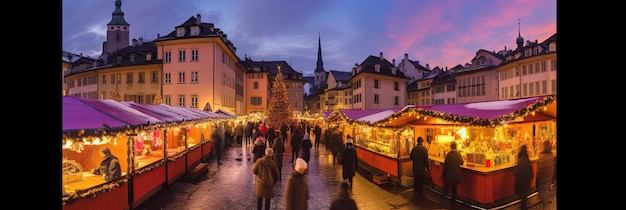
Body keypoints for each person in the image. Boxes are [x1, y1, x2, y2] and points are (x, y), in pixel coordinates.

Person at [441, 141, 463, 206]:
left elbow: (445, 165)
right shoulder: (458, 154)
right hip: (455, 175)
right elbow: (461, 162)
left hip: (448, 174)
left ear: (451, 147)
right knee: (454, 189)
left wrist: (443, 175)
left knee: (446, 188)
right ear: (456, 147)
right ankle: (452, 203)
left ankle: (442, 201)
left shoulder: (448, 154)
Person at [410, 136, 430, 201]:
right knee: (421, 180)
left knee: (416, 179)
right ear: (422, 142)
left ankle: (415, 191)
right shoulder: (424, 149)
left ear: (417, 142)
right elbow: (426, 159)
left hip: (415, 167)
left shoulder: (414, 149)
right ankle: (419, 192)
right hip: (421, 168)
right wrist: (428, 166)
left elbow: (411, 158)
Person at [536, 140, 555, 208]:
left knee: (542, 191)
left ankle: (545, 204)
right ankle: (545, 202)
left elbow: (539, 166)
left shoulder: (541, 156)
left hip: (542, 178)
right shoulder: (550, 155)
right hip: (548, 177)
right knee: (545, 190)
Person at [514, 145, 534, 210]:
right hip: (526, 182)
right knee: (524, 197)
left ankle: (523, 208)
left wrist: (514, 173)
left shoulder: (520, 159)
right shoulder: (527, 159)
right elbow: (531, 173)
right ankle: (523, 207)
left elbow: (519, 171)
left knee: (523, 197)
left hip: (522, 182)